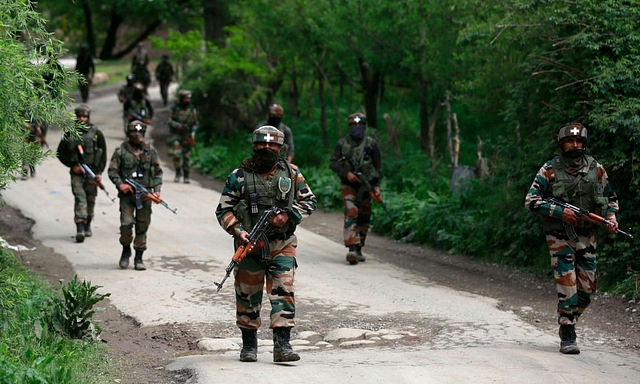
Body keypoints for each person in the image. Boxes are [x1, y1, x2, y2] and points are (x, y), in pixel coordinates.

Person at [215, 126, 317, 363]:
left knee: (284, 290)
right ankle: (249, 346)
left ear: (280, 148)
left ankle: (283, 345)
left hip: (282, 243)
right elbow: (223, 210)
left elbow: (309, 201)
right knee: (247, 295)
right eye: (262, 144)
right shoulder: (239, 175)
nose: (267, 148)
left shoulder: (292, 174)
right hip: (251, 245)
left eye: (272, 145)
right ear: (254, 146)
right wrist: (238, 231)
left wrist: (289, 215)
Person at [525, 122, 620, 355]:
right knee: (567, 283)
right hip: (559, 237)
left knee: (587, 290)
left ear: (584, 143)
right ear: (562, 144)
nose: (575, 145)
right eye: (570, 141)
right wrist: (560, 212)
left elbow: (611, 199)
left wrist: (611, 217)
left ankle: (567, 318)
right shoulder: (549, 169)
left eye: (579, 141)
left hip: (587, 236)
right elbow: (531, 200)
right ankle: (567, 332)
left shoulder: (596, 169)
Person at [108, 120, 163, 271]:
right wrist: (120, 184)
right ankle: (126, 251)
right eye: (134, 134)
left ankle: (139, 257)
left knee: (142, 226)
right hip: (127, 196)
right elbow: (112, 171)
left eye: (140, 134)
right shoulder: (121, 151)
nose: (137, 137)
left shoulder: (150, 151)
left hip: (145, 195)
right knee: (126, 224)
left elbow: (158, 172)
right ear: (129, 134)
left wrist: (157, 190)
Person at [328, 112, 382, 265]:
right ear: (349, 126)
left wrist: (377, 186)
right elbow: (333, 162)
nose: (357, 128)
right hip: (349, 185)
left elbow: (378, 167)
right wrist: (347, 173)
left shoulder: (371, 144)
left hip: (367, 185)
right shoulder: (342, 143)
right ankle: (352, 248)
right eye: (353, 125)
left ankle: (359, 248)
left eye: (360, 125)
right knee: (351, 212)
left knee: (364, 215)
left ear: (364, 126)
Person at [56, 104, 107, 243]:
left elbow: (103, 155)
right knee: (80, 198)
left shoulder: (97, 134)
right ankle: (80, 228)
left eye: (84, 117)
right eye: (79, 116)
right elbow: (60, 152)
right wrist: (72, 165)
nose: (82, 119)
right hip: (77, 173)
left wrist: (99, 172)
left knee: (90, 200)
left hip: (92, 173)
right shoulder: (70, 133)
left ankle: (87, 224)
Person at [168, 90, 198, 183]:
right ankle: (177, 173)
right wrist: (178, 125)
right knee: (176, 154)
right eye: (185, 98)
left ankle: (186, 175)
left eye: (189, 98)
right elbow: (169, 121)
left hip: (187, 135)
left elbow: (195, 123)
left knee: (187, 156)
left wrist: (193, 132)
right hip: (176, 134)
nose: (187, 100)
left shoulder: (192, 109)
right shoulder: (174, 108)